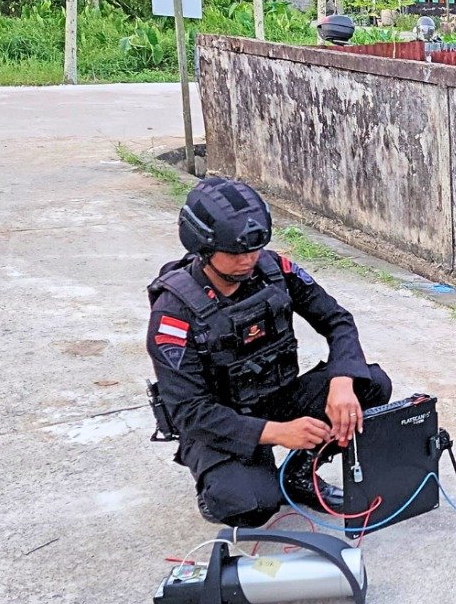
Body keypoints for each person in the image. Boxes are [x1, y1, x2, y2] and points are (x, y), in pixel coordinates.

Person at [146, 177, 392, 527]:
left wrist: (342, 380)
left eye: (254, 248)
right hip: (222, 421)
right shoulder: (173, 313)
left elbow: (337, 320)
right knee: (252, 505)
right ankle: (223, 481)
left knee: (369, 385)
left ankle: (300, 474)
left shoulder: (274, 270)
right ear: (203, 247)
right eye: (235, 252)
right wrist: (277, 433)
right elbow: (189, 412)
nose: (248, 260)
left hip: (276, 394)